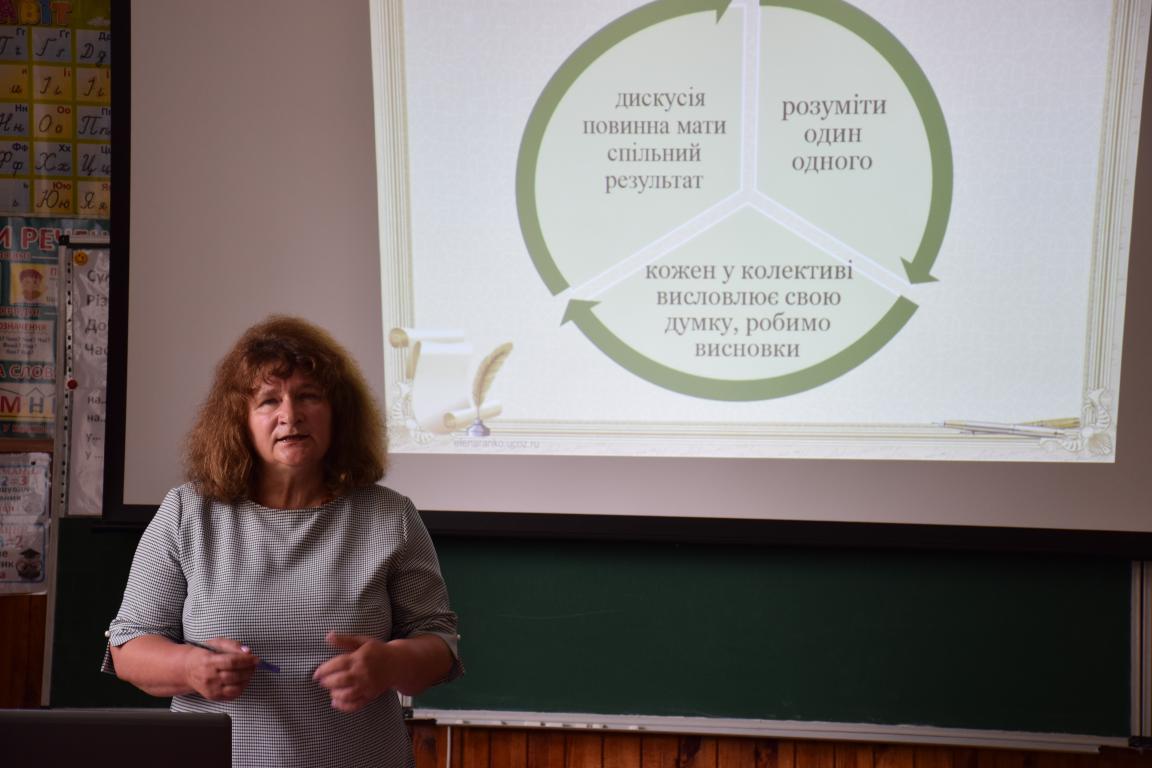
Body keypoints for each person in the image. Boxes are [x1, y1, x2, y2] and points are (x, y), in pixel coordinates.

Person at [102, 315, 461, 768]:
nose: (290, 415)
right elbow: (128, 645)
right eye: (269, 400)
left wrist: (391, 664)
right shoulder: (187, 513)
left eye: (308, 395)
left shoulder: (390, 517)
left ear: (338, 412)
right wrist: (190, 668)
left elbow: (441, 645)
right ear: (240, 420)